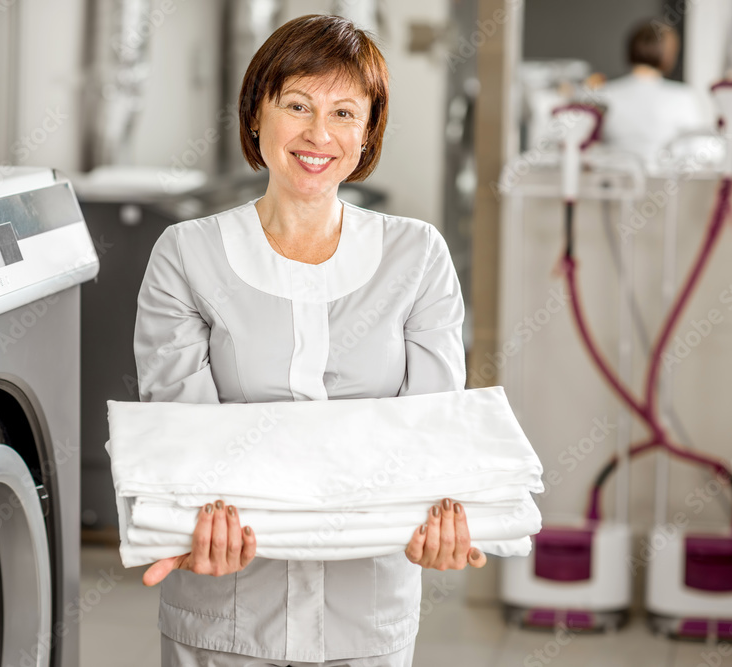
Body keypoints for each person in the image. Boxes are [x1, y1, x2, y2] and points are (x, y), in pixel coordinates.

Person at [132, 14, 485, 667]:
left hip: (363, 618)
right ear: (255, 114)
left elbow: (432, 434)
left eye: (345, 112)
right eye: (297, 104)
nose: (319, 133)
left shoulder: (417, 257)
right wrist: (200, 504)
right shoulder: (187, 254)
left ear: (367, 133)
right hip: (225, 614)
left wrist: (440, 510)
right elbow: (184, 440)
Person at [594, 20, 711, 172]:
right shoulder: (682, 97)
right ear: (669, 55)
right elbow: (701, 152)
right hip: (666, 190)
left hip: (613, 189)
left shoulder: (603, 93)